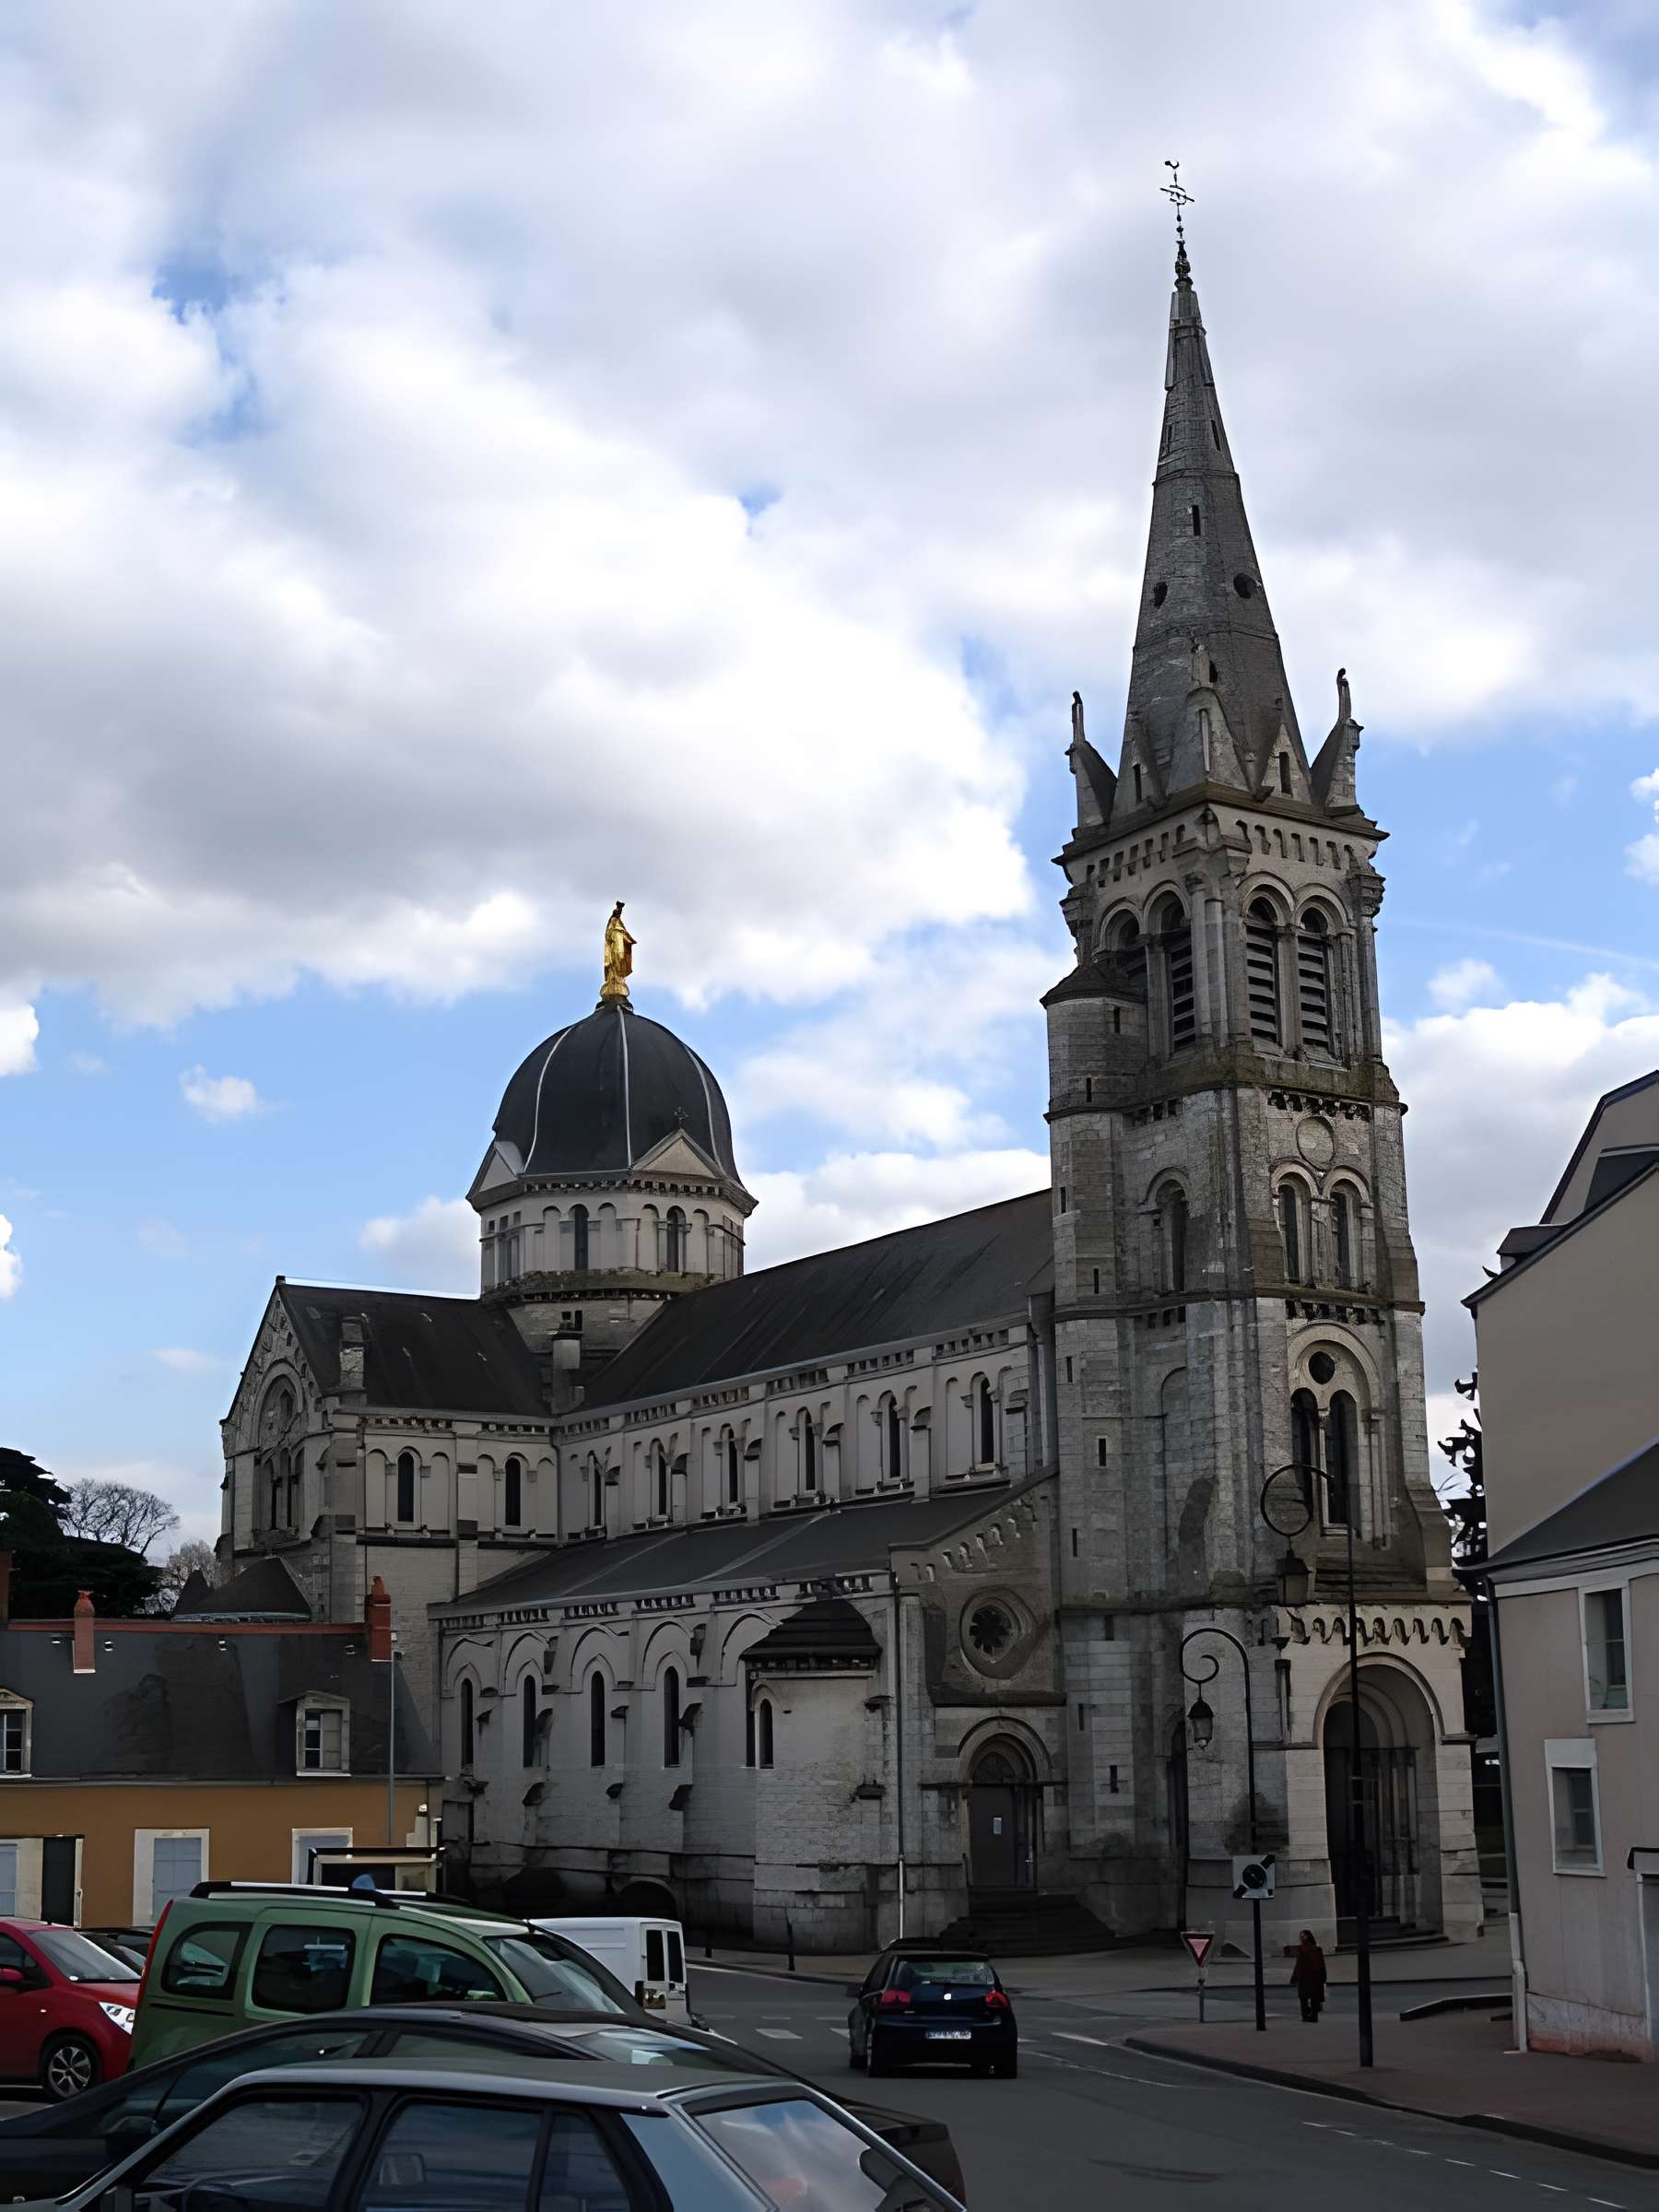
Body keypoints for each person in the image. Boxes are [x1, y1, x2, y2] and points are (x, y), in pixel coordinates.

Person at [1290, 1929, 1327, 2023]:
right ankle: (1306, 2016)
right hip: (1304, 1976)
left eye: (1304, 1936)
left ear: (1308, 1937)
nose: (1302, 1938)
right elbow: (1298, 1965)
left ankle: (1313, 2016)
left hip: (1313, 1976)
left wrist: (1323, 1976)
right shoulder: (1301, 1949)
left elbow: (1321, 1964)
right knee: (1304, 1998)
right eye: (1301, 1936)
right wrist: (1294, 1977)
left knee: (1313, 1997)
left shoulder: (1316, 1949)